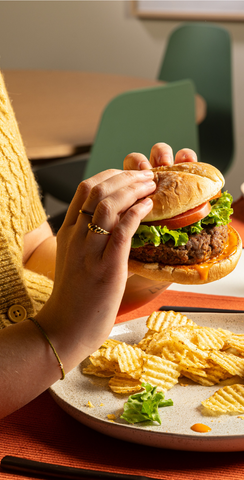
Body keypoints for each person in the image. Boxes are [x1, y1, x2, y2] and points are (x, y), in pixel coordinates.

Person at [0, 71, 196, 419]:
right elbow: (64, 327)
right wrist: (60, 335)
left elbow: (29, 254)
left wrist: (141, 256)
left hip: (64, 391)